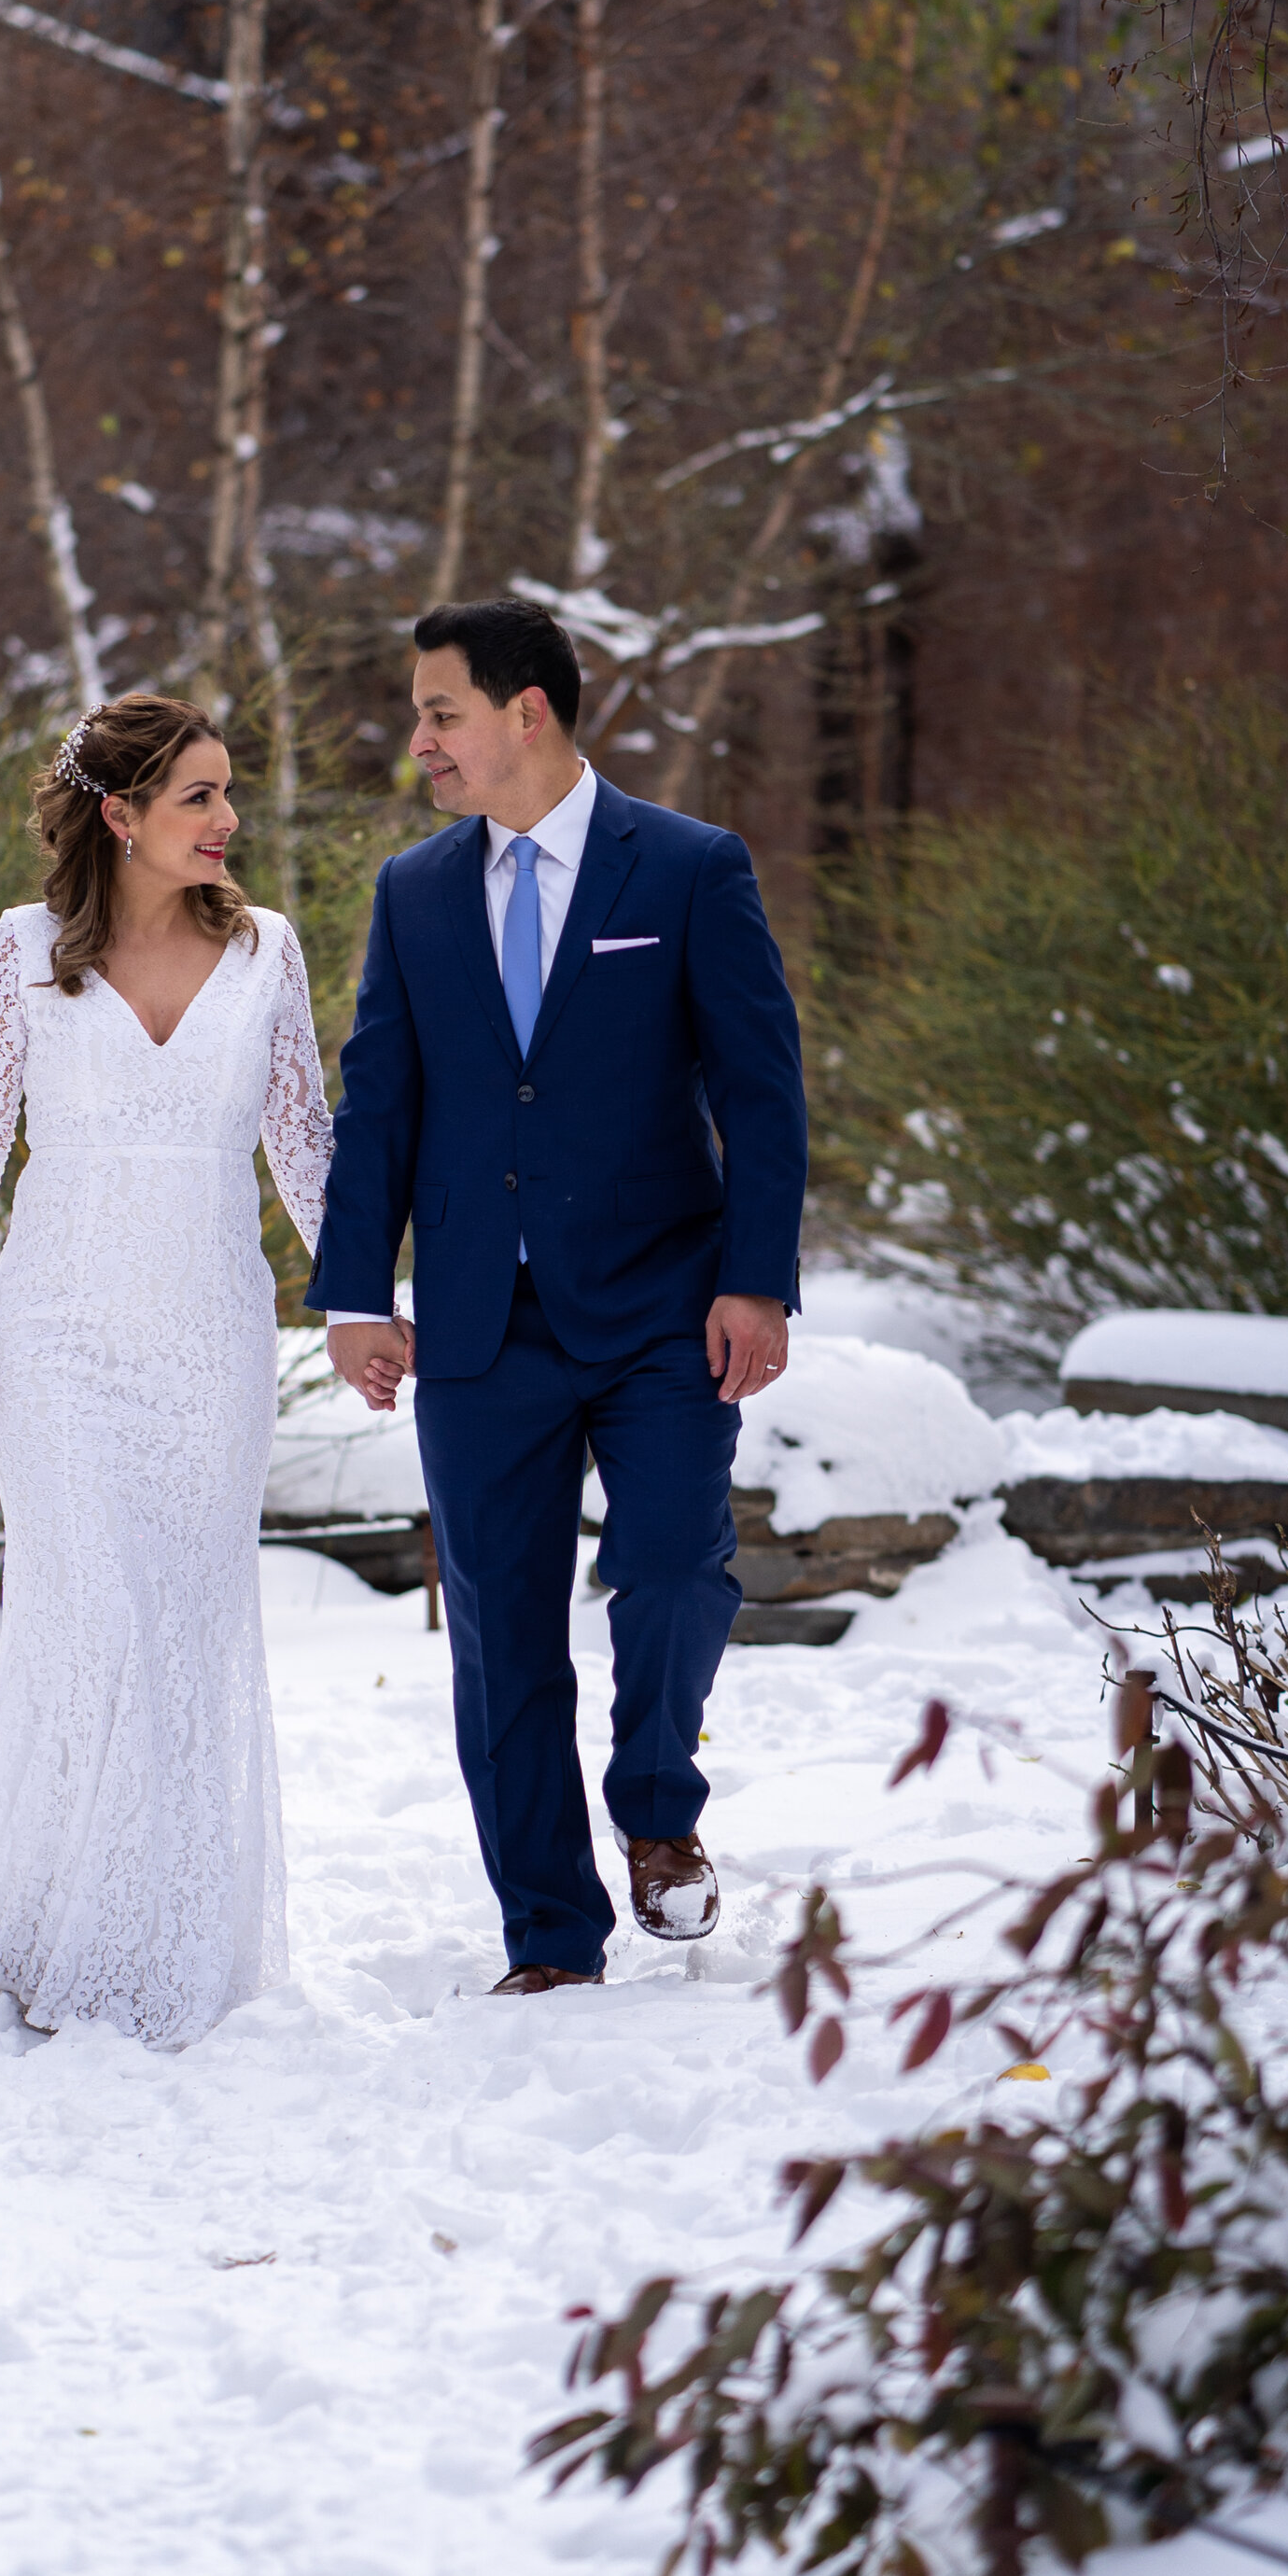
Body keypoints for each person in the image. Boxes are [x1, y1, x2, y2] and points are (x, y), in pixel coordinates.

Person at [309, 598, 807, 1995]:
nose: (420, 742)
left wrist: (757, 1280)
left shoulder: (691, 869)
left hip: (663, 1304)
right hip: (475, 1318)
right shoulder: (415, 891)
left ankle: (657, 1808)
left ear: (528, 709)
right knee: (499, 1633)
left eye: (440, 711)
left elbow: (762, 1091)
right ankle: (547, 1936)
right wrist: (356, 1289)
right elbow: (381, 1097)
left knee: (667, 1564)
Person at [0, 693, 350, 2047]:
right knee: (95, 1622)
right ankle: (78, 1936)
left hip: (209, 1342)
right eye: (200, 798)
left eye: (231, 794)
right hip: (51, 1338)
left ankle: (144, 1942)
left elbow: (307, 1152)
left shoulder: (268, 950)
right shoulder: (21, 954)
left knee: (181, 1636)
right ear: (119, 815)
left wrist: (356, 1305)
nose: (231, 821)